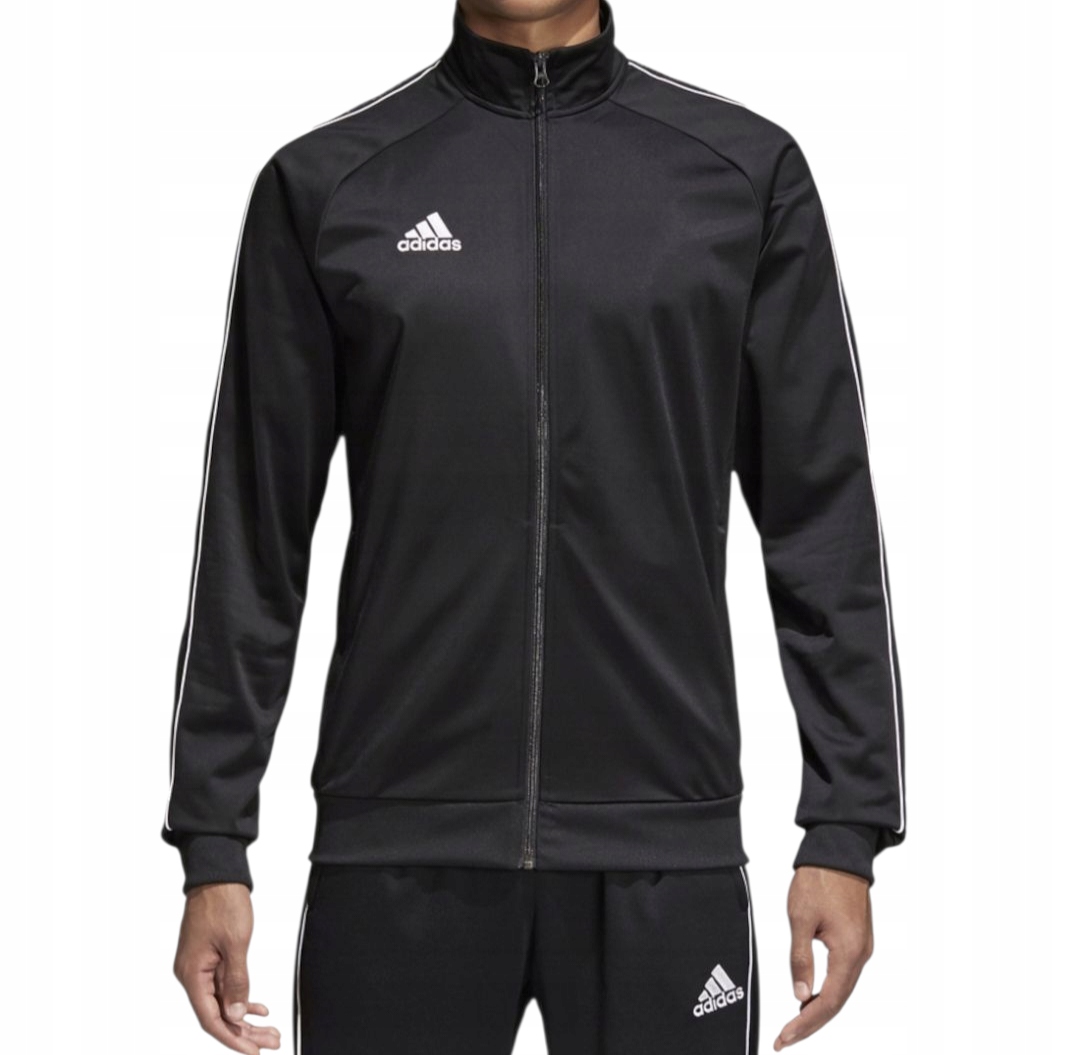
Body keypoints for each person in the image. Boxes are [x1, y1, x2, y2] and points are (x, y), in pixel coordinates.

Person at [162, 2, 907, 1053]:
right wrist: (213, 838)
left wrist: (845, 822)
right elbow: (253, 530)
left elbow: (823, 515)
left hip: (665, 841)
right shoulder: (329, 185)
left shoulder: (742, 176)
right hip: (396, 845)